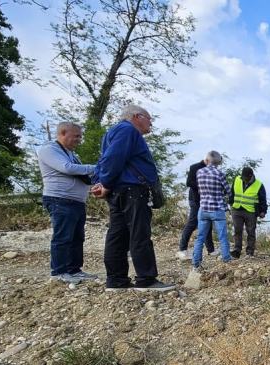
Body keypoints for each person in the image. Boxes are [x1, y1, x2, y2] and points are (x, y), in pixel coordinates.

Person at [90, 104, 175, 291]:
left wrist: (101, 183)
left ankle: (116, 280)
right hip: (133, 191)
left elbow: (103, 159)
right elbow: (113, 158)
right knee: (139, 234)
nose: (151, 123)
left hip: (118, 191)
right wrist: (105, 183)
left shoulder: (111, 133)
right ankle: (146, 279)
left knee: (117, 234)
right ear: (137, 116)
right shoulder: (128, 130)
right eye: (149, 118)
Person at [37, 122, 97, 284]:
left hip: (76, 201)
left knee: (77, 237)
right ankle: (59, 272)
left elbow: (82, 175)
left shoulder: (71, 153)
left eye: (80, 136)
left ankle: (74, 270)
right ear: (63, 133)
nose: (79, 139)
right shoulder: (49, 149)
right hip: (60, 200)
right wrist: (98, 168)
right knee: (63, 237)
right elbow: (68, 168)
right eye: (76, 136)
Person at [193, 151, 232, 268]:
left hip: (203, 208)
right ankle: (226, 261)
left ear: (207, 159)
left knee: (200, 237)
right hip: (217, 208)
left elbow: (199, 189)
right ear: (218, 162)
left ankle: (196, 264)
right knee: (222, 236)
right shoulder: (220, 173)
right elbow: (228, 191)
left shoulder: (199, 172)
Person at [176, 158, 215, 261]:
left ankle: (211, 250)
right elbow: (189, 182)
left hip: (205, 200)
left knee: (208, 223)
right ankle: (182, 249)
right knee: (192, 224)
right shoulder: (195, 167)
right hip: (195, 200)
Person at [228, 166, 267, 258]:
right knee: (237, 231)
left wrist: (263, 211)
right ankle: (237, 250)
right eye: (243, 177)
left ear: (251, 176)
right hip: (236, 209)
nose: (244, 179)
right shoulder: (237, 179)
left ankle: (250, 252)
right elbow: (232, 192)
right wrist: (231, 203)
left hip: (250, 211)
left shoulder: (259, 185)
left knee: (251, 232)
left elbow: (263, 199)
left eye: (246, 178)